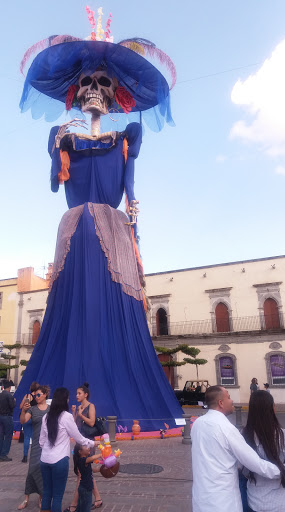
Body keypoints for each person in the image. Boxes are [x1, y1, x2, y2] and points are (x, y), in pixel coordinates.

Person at [14, 20, 183, 433]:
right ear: (75, 90)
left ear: (115, 92)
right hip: (80, 226)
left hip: (106, 224)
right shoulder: (64, 136)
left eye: (102, 82)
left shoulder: (126, 136)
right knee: (74, 302)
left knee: (106, 299)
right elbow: (56, 182)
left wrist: (133, 226)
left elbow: (128, 189)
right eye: (86, 82)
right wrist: (57, 145)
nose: (93, 89)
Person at [191, 385, 281, 512]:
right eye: (229, 397)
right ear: (221, 403)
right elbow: (253, 462)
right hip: (223, 502)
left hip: (201, 499)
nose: (232, 400)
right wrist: (281, 471)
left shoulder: (197, 424)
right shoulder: (226, 428)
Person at [39, 387, 98, 512]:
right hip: (59, 460)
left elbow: (41, 442)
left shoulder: (46, 417)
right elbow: (79, 438)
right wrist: (93, 443)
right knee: (57, 496)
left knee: (47, 493)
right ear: (65, 401)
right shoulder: (66, 417)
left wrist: (47, 451)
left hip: (44, 460)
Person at [242, 390, 285, 512]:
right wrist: (284, 468)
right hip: (282, 504)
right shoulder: (284, 436)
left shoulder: (244, 436)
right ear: (272, 408)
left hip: (255, 502)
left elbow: (244, 470)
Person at [65, 383, 102, 511]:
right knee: (87, 472)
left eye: (79, 393)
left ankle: (74, 505)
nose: (77, 396)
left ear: (86, 394)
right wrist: (75, 413)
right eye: (76, 393)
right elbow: (75, 425)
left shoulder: (91, 406)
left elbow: (91, 422)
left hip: (88, 443)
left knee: (82, 473)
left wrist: (81, 415)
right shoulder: (80, 407)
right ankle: (98, 499)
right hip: (80, 442)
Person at [18, 385, 51, 510]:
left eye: (38, 395)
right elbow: (23, 421)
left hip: (48, 444)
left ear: (45, 395)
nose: (36, 397)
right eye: (35, 395)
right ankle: (26, 497)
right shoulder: (32, 409)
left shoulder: (50, 409)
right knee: (32, 469)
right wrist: (23, 411)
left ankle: (41, 497)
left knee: (44, 471)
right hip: (37, 443)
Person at [72, 444, 102, 512]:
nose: (88, 448)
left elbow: (91, 470)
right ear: (80, 451)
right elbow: (92, 458)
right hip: (86, 488)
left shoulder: (84, 461)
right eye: (85, 447)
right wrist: (100, 455)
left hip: (83, 487)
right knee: (85, 509)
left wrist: (101, 469)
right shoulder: (82, 460)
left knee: (80, 508)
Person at [19, 382, 41, 463]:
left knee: (27, 438)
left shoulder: (27, 396)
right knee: (36, 438)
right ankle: (35, 456)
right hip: (35, 418)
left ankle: (25, 456)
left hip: (26, 417)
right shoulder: (39, 397)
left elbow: (21, 406)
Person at [0, 379, 16, 462]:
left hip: (0, 417)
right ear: (10, 387)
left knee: (1, 436)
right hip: (7, 417)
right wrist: (14, 401)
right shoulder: (9, 395)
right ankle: (4, 454)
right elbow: (12, 406)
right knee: (8, 436)